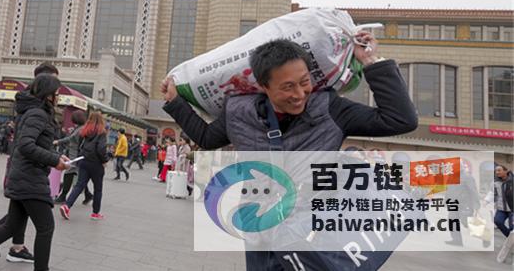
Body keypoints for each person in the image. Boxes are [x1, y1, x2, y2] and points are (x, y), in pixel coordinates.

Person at [161, 34, 418, 271]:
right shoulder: (238, 112)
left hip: (311, 233)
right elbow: (206, 138)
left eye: (304, 82)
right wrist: (175, 102)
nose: (299, 94)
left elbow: (400, 119)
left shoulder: (329, 108)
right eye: (287, 87)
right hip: (259, 227)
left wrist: (371, 61)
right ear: (263, 86)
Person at [0, 73, 69, 271]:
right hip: (30, 177)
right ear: (47, 94)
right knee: (46, 227)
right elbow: (26, 145)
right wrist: (53, 160)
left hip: (23, 175)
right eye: (55, 93)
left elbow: (35, 143)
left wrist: (57, 156)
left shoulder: (32, 112)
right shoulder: (38, 114)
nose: (58, 97)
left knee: (12, 226)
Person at [0, 62, 61, 264]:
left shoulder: (30, 103)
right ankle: (0, 242)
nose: (58, 93)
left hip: (24, 166)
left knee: (17, 218)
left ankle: (8, 248)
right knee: (42, 224)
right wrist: (53, 158)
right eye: (55, 85)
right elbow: (27, 143)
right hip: (27, 168)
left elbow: (31, 137)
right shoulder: (37, 108)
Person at [59, 112, 109, 221]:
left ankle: (67, 206)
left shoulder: (84, 131)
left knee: (79, 185)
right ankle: (95, 213)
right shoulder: (102, 132)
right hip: (96, 164)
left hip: (84, 161)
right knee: (98, 189)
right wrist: (105, 161)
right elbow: (101, 149)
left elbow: (80, 146)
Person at [53, 110, 93, 204]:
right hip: (73, 155)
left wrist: (57, 142)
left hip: (75, 156)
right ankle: (88, 195)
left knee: (69, 174)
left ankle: (63, 196)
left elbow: (70, 139)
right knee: (79, 177)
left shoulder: (80, 129)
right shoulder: (79, 128)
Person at [487, 164, 514, 238]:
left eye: (499, 170)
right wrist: (486, 201)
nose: (497, 172)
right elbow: (492, 192)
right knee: (497, 221)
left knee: (512, 227)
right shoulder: (495, 182)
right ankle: (510, 238)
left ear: (506, 171)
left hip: (512, 209)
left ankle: (511, 239)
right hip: (501, 208)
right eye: (496, 171)